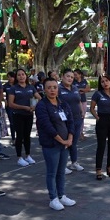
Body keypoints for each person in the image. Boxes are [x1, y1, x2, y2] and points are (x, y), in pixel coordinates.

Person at [35, 79, 77, 211]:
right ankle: (53, 198)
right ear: (44, 90)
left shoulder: (62, 104)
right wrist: (62, 140)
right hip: (52, 144)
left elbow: (71, 121)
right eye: (49, 88)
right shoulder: (42, 105)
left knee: (61, 171)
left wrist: (70, 138)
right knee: (52, 172)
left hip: (65, 144)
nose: (52, 90)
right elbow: (47, 126)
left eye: (54, 87)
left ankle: (61, 195)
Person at [90, 75, 110, 180]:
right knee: (101, 145)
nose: (105, 83)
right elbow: (92, 108)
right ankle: (98, 169)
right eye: (102, 81)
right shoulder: (98, 94)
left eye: (107, 80)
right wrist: (98, 118)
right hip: (102, 119)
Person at [7, 68, 40, 167]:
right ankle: (19, 157)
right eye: (19, 75)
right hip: (18, 115)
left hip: (29, 115)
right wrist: (24, 107)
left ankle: (28, 155)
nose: (21, 76)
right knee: (19, 136)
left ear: (26, 76)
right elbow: (11, 104)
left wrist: (35, 106)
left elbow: (39, 98)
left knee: (27, 136)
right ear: (16, 77)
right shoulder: (14, 88)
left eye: (23, 74)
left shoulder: (31, 87)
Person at [58, 69, 85, 173]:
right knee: (65, 142)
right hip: (65, 120)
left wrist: (82, 112)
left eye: (72, 77)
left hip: (77, 118)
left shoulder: (74, 88)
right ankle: (62, 165)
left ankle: (74, 162)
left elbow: (78, 101)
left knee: (74, 143)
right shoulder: (58, 88)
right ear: (62, 76)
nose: (70, 78)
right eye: (67, 76)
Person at [73, 69, 89, 139]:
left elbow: (88, 89)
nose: (74, 76)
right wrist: (81, 90)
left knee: (82, 116)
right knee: (76, 116)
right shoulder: (73, 82)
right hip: (75, 101)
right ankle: (75, 132)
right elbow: (73, 90)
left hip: (83, 100)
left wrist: (81, 90)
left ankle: (81, 132)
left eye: (76, 74)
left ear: (80, 75)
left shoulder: (84, 81)